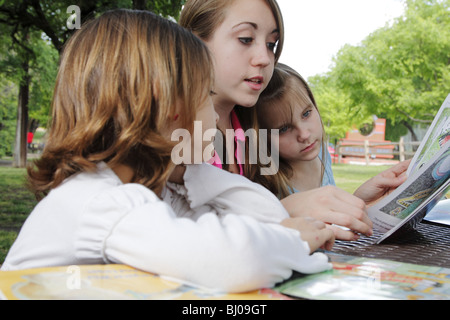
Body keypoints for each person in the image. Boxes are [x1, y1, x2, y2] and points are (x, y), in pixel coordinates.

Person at [1, 9, 335, 293]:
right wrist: (293, 241)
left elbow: (268, 214)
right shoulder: (101, 202)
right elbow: (228, 262)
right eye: (205, 92)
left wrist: (193, 170)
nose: (214, 113)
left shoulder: (157, 192)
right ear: (170, 107)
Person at [179, 0, 375, 241]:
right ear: (193, 41)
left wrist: (358, 202)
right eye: (246, 39)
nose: (264, 58)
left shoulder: (251, 128)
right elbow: (175, 231)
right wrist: (283, 211)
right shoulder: (177, 130)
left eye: (271, 44)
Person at [254, 63, 411, 239]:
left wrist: (359, 202)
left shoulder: (321, 153)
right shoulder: (266, 183)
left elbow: (327, 221)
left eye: (306, 114)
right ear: (262, 137)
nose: (304, 135)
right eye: (284, 129)